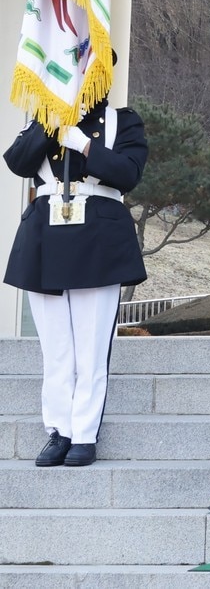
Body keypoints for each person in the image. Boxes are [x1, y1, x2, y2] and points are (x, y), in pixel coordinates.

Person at [4, 83, 148, 467]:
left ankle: (83, 434)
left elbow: (129, 173)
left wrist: (85, 145)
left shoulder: (123, 122)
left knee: (90, 346)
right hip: (45, 236)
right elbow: (17, 162)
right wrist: (50, 124)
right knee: (55, 348)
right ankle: (58, 430)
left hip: (98, 235)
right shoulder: (42, 119)